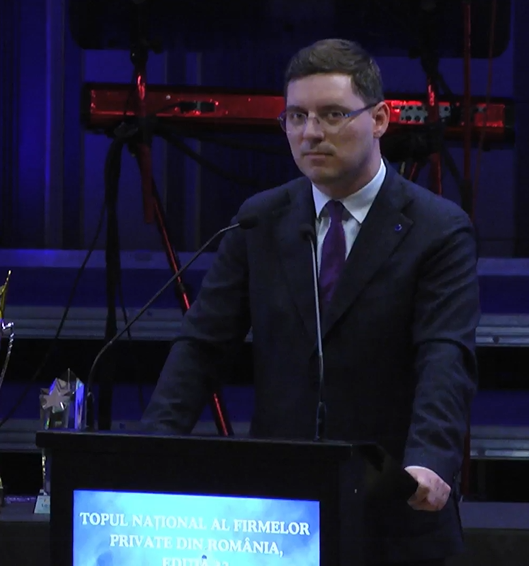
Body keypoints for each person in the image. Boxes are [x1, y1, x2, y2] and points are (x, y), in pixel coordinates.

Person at [142, 38, 480, 566]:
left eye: (333, 114)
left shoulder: (438, 229)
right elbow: (202, 346)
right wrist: (152, 450)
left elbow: (444, 355)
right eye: (296, 117)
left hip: (396, 510)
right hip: (279, 514)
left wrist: (431, 459)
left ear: (380, 119)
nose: (311, 133)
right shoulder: (260, 219)